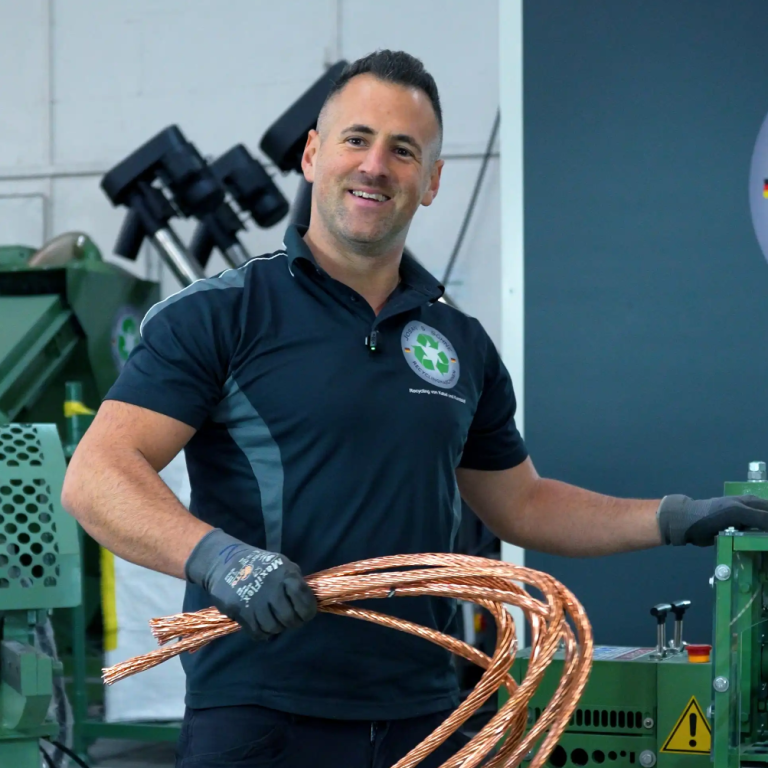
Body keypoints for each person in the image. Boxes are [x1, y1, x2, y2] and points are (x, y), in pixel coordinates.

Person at [61, 50, 768, 768]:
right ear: (313, 155)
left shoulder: (459, 343)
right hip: (261, 716)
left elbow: (522, 505)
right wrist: (225, 563)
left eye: (404, 151)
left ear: (430, 182)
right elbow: (97, 476)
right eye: (356, 139)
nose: (375, 166)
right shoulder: (222, 315)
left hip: (425, 717)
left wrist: (679, 518)